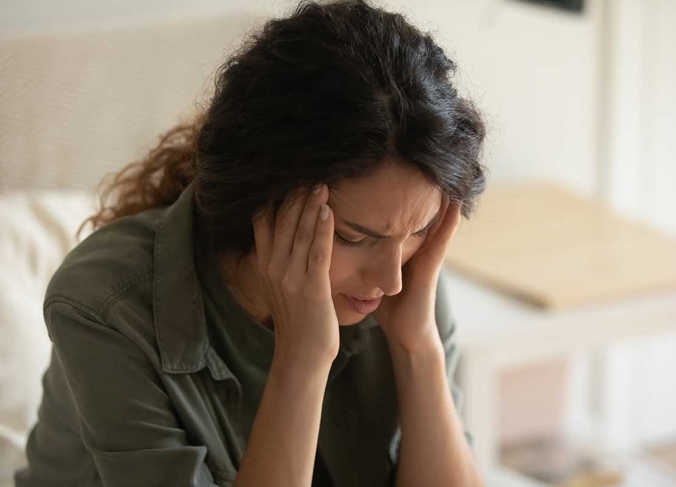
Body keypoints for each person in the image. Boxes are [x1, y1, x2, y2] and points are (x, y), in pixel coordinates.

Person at [14, 0, 487, 485]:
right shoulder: (107, 309)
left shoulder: (402, 267)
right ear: (261, 197)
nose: (390, 280)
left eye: (419, 231)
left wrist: (417, 346)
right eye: (352, 237)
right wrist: (302, 358)